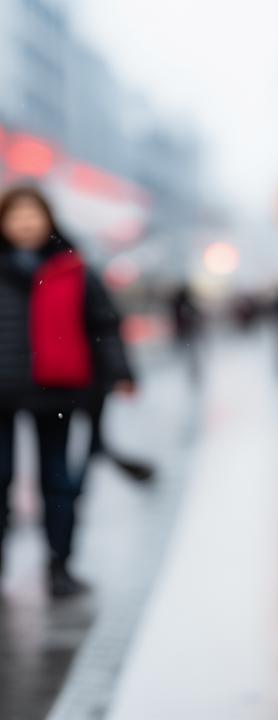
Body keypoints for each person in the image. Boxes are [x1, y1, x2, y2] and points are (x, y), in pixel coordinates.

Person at [0, 186, 135, 598]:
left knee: (57, 480)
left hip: (54, 391)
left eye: (33, 214)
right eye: (16, 214)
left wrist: (120, 371)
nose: (25, 223)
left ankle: (59, 566)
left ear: (48, 220)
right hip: (2, 392)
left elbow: (104, 325)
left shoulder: (73, 269)